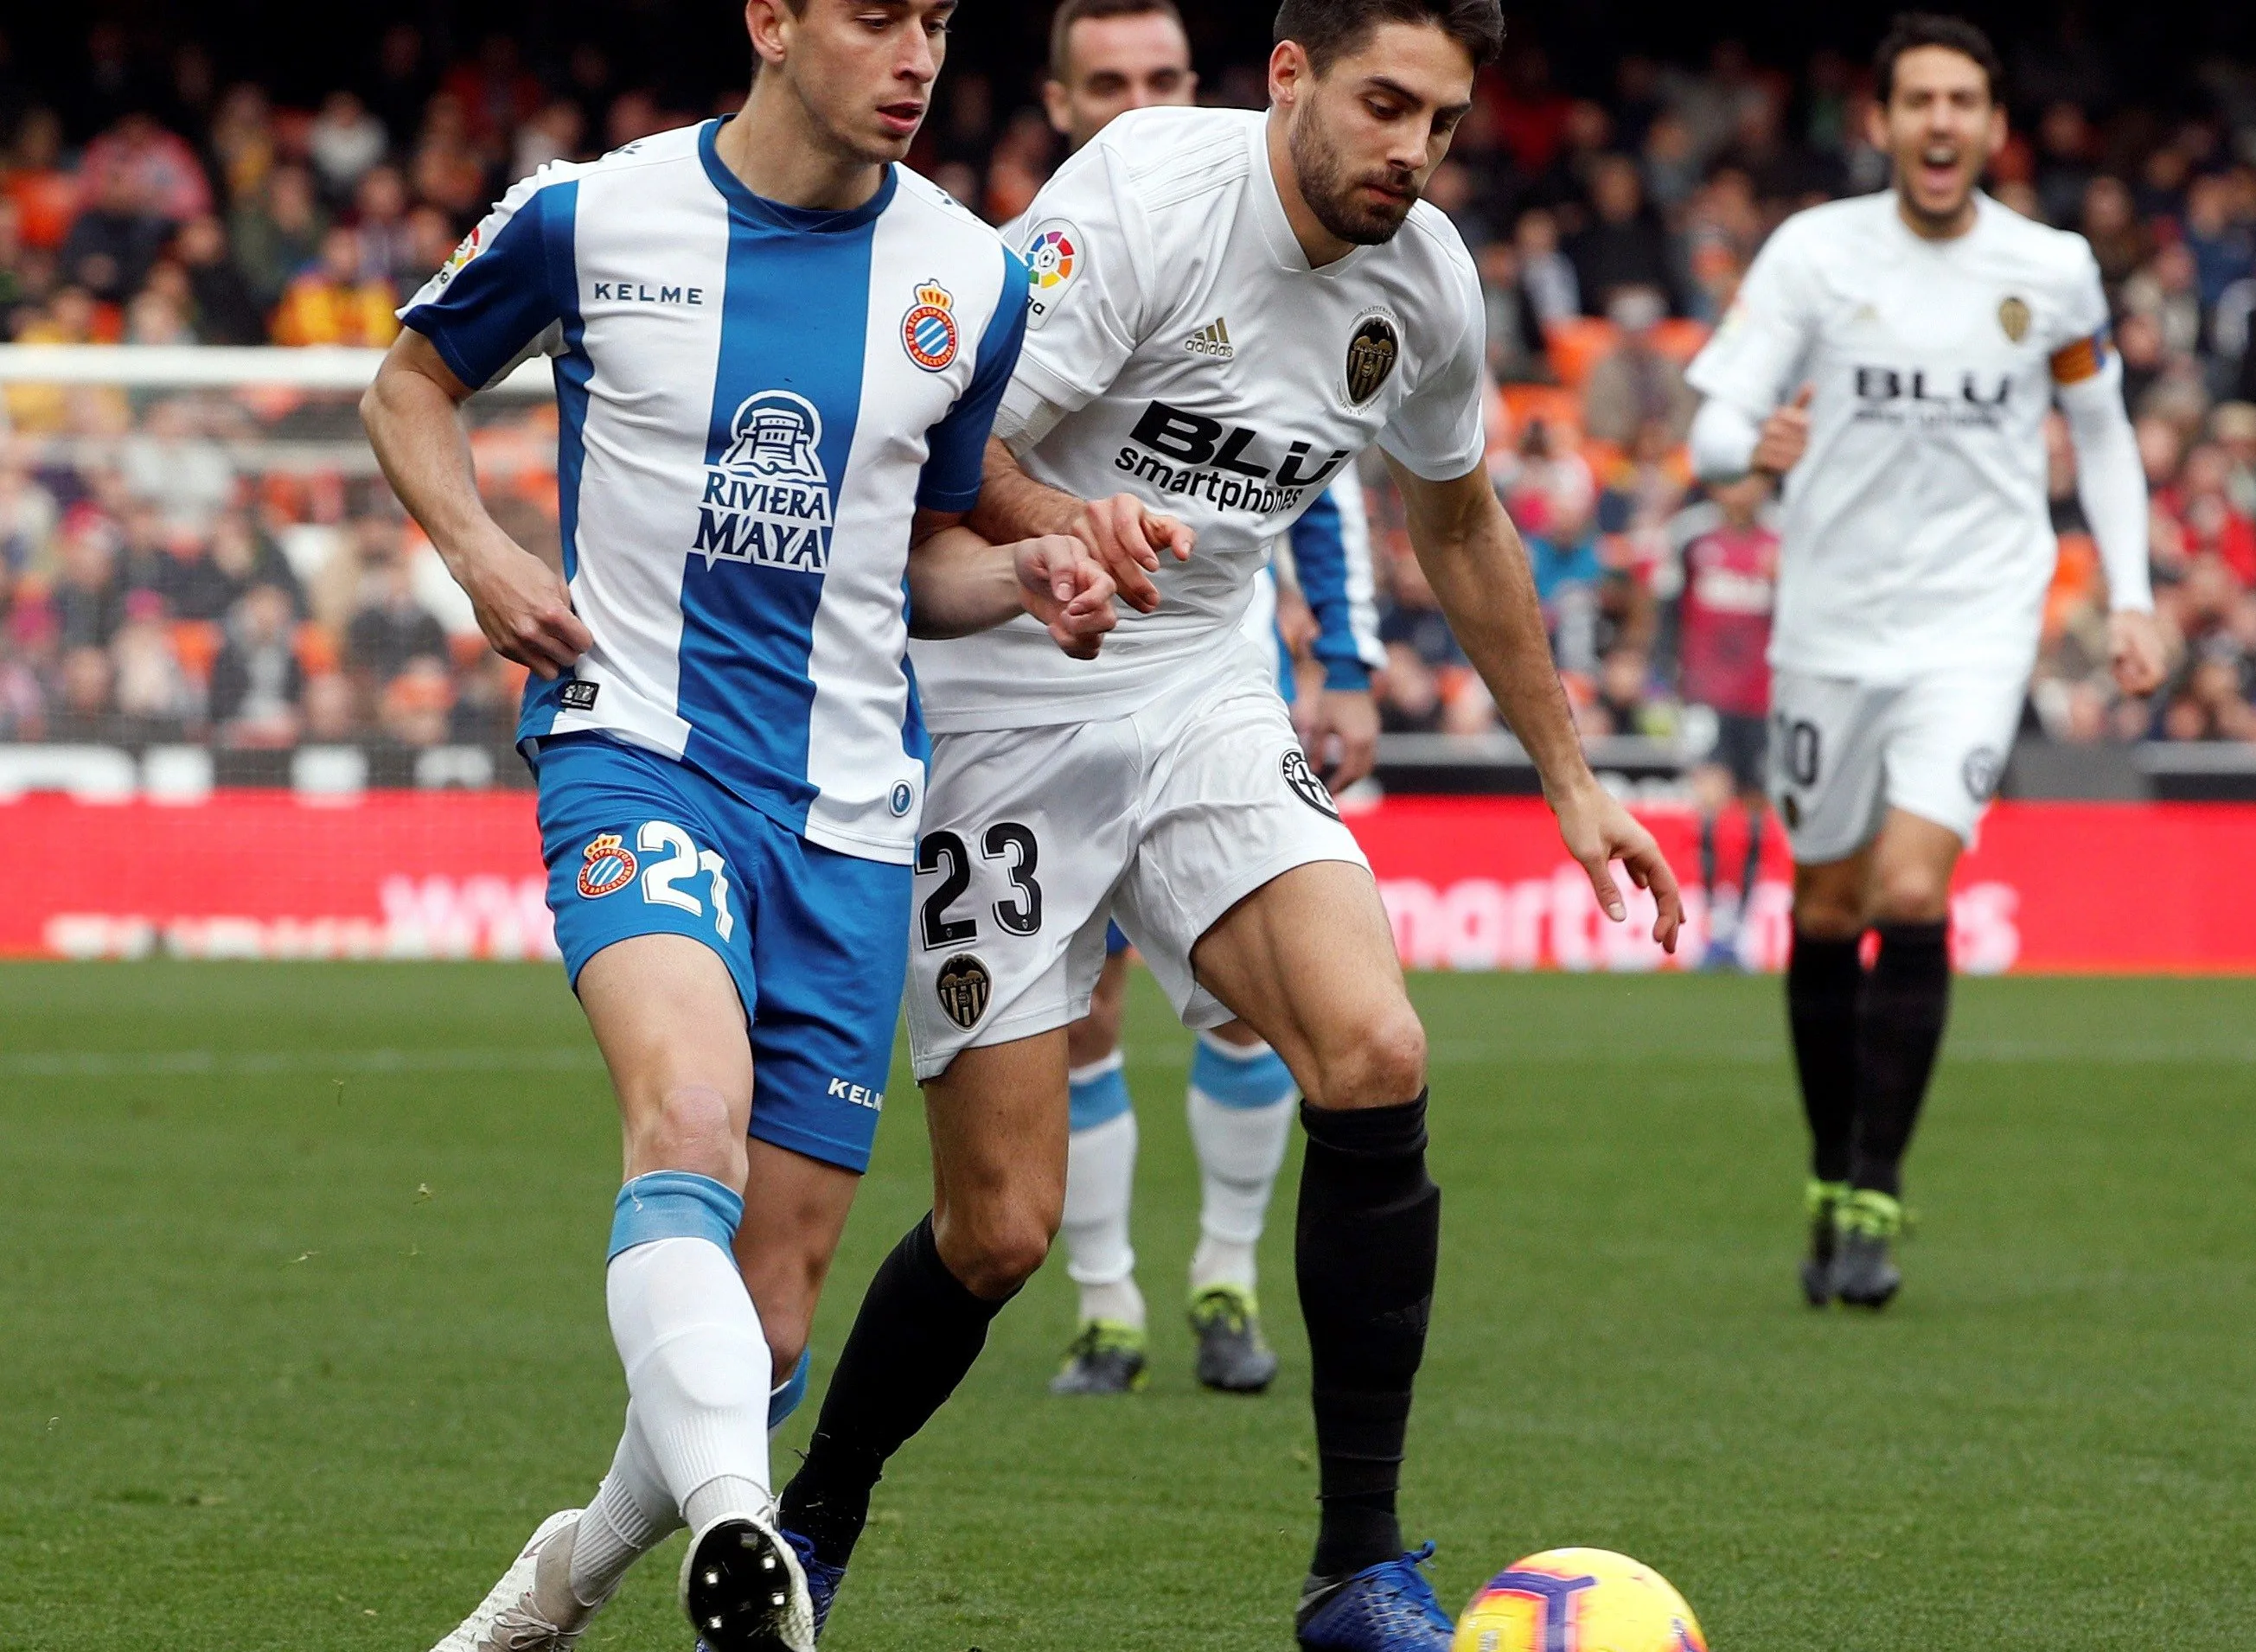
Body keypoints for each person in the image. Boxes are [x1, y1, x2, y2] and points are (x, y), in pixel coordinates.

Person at [764, 3, 1681, 1649]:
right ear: (1288, 77)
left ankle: (1357, 1566)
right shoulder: (1140, 202)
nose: (1411, 151)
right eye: (1384, 105)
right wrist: (1068, 527)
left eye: (1445, 123)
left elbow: (1460, 521)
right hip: (1003, 705)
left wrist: (1567, 773)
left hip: (1202, 698)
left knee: (1376, 1048)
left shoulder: (1429, 280)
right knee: (998, 1231)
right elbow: (933, 455)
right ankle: (811, 1519)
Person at [363, 0, 1115, 1646]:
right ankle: (740, 1533)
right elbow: (408, 389)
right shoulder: (589, 214)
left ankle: (563, 1580)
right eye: (874, 17)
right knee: (686, 1113)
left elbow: (915, 554)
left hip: (851, 824)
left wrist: (1026, 575)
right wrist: (486, 556)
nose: (916, 54)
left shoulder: (969, 280)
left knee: (769, 1321)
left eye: (936, 20)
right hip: (637, 749)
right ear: (773, 22)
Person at [1684, 12, 2163, 1311]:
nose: (1940, 123)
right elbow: (1721, 411)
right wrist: (1745, 454)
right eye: (1917, 102)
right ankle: (1829, 1169)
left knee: (1908, 888)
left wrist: (2129, 593)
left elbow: (2102, 436)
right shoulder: (1815, 253)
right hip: (1830, 625)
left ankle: (1878, 1189)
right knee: (1826, 907)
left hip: (1974, 620)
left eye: (1962, 101)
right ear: (1883, 123)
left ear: (1993, 126)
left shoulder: (2051, 269)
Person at [1022, 0, 1389, 1402]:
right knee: (1080, 1017)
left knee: (1247, 1007)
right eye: (1106, 82)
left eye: (1164, 77)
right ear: (1057, 105)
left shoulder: (1279, 252)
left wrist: (1343, 663)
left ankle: (1224, 1279)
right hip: (1042, 689)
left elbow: (1305, 472)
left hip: (1202, 681)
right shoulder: (1048, 266)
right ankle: (1105, 1302)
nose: (1139, 103)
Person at [1651, 471, 1779, 967]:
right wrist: (1663, 683)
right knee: (1709, 801)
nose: (1743, 491)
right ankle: (1708, 924)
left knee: (1752, 810)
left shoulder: (1783, 541)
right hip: (1705, 696)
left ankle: (1737, 929)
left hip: (1764, 700)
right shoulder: (1690, 536)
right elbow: (1666, 613)